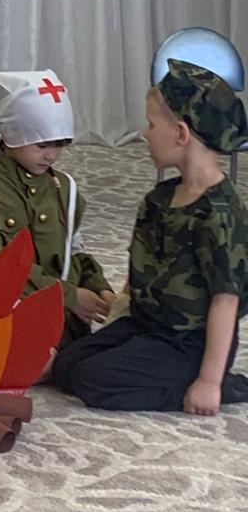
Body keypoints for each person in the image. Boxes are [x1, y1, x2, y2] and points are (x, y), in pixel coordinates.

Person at [53, 59, 248, 414]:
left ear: (181, 134)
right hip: (146, 324)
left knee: (93, 381)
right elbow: (141, 265)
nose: (144, 134)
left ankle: (221, 386)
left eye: (151, 125)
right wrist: (121, 310)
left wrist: (208, 381)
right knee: (67, 366)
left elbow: (225, 303)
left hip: (189, 342)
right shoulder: (159, 199)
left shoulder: (218, 214)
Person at [0, 70, 114, 346]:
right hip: (12, 319)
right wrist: (68, 296)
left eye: (60, 145)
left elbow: (74, 251)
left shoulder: (64, 187)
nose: (51, 156)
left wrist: (99, 288)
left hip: (65, 317)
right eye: (43, 145)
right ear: (11, 136)